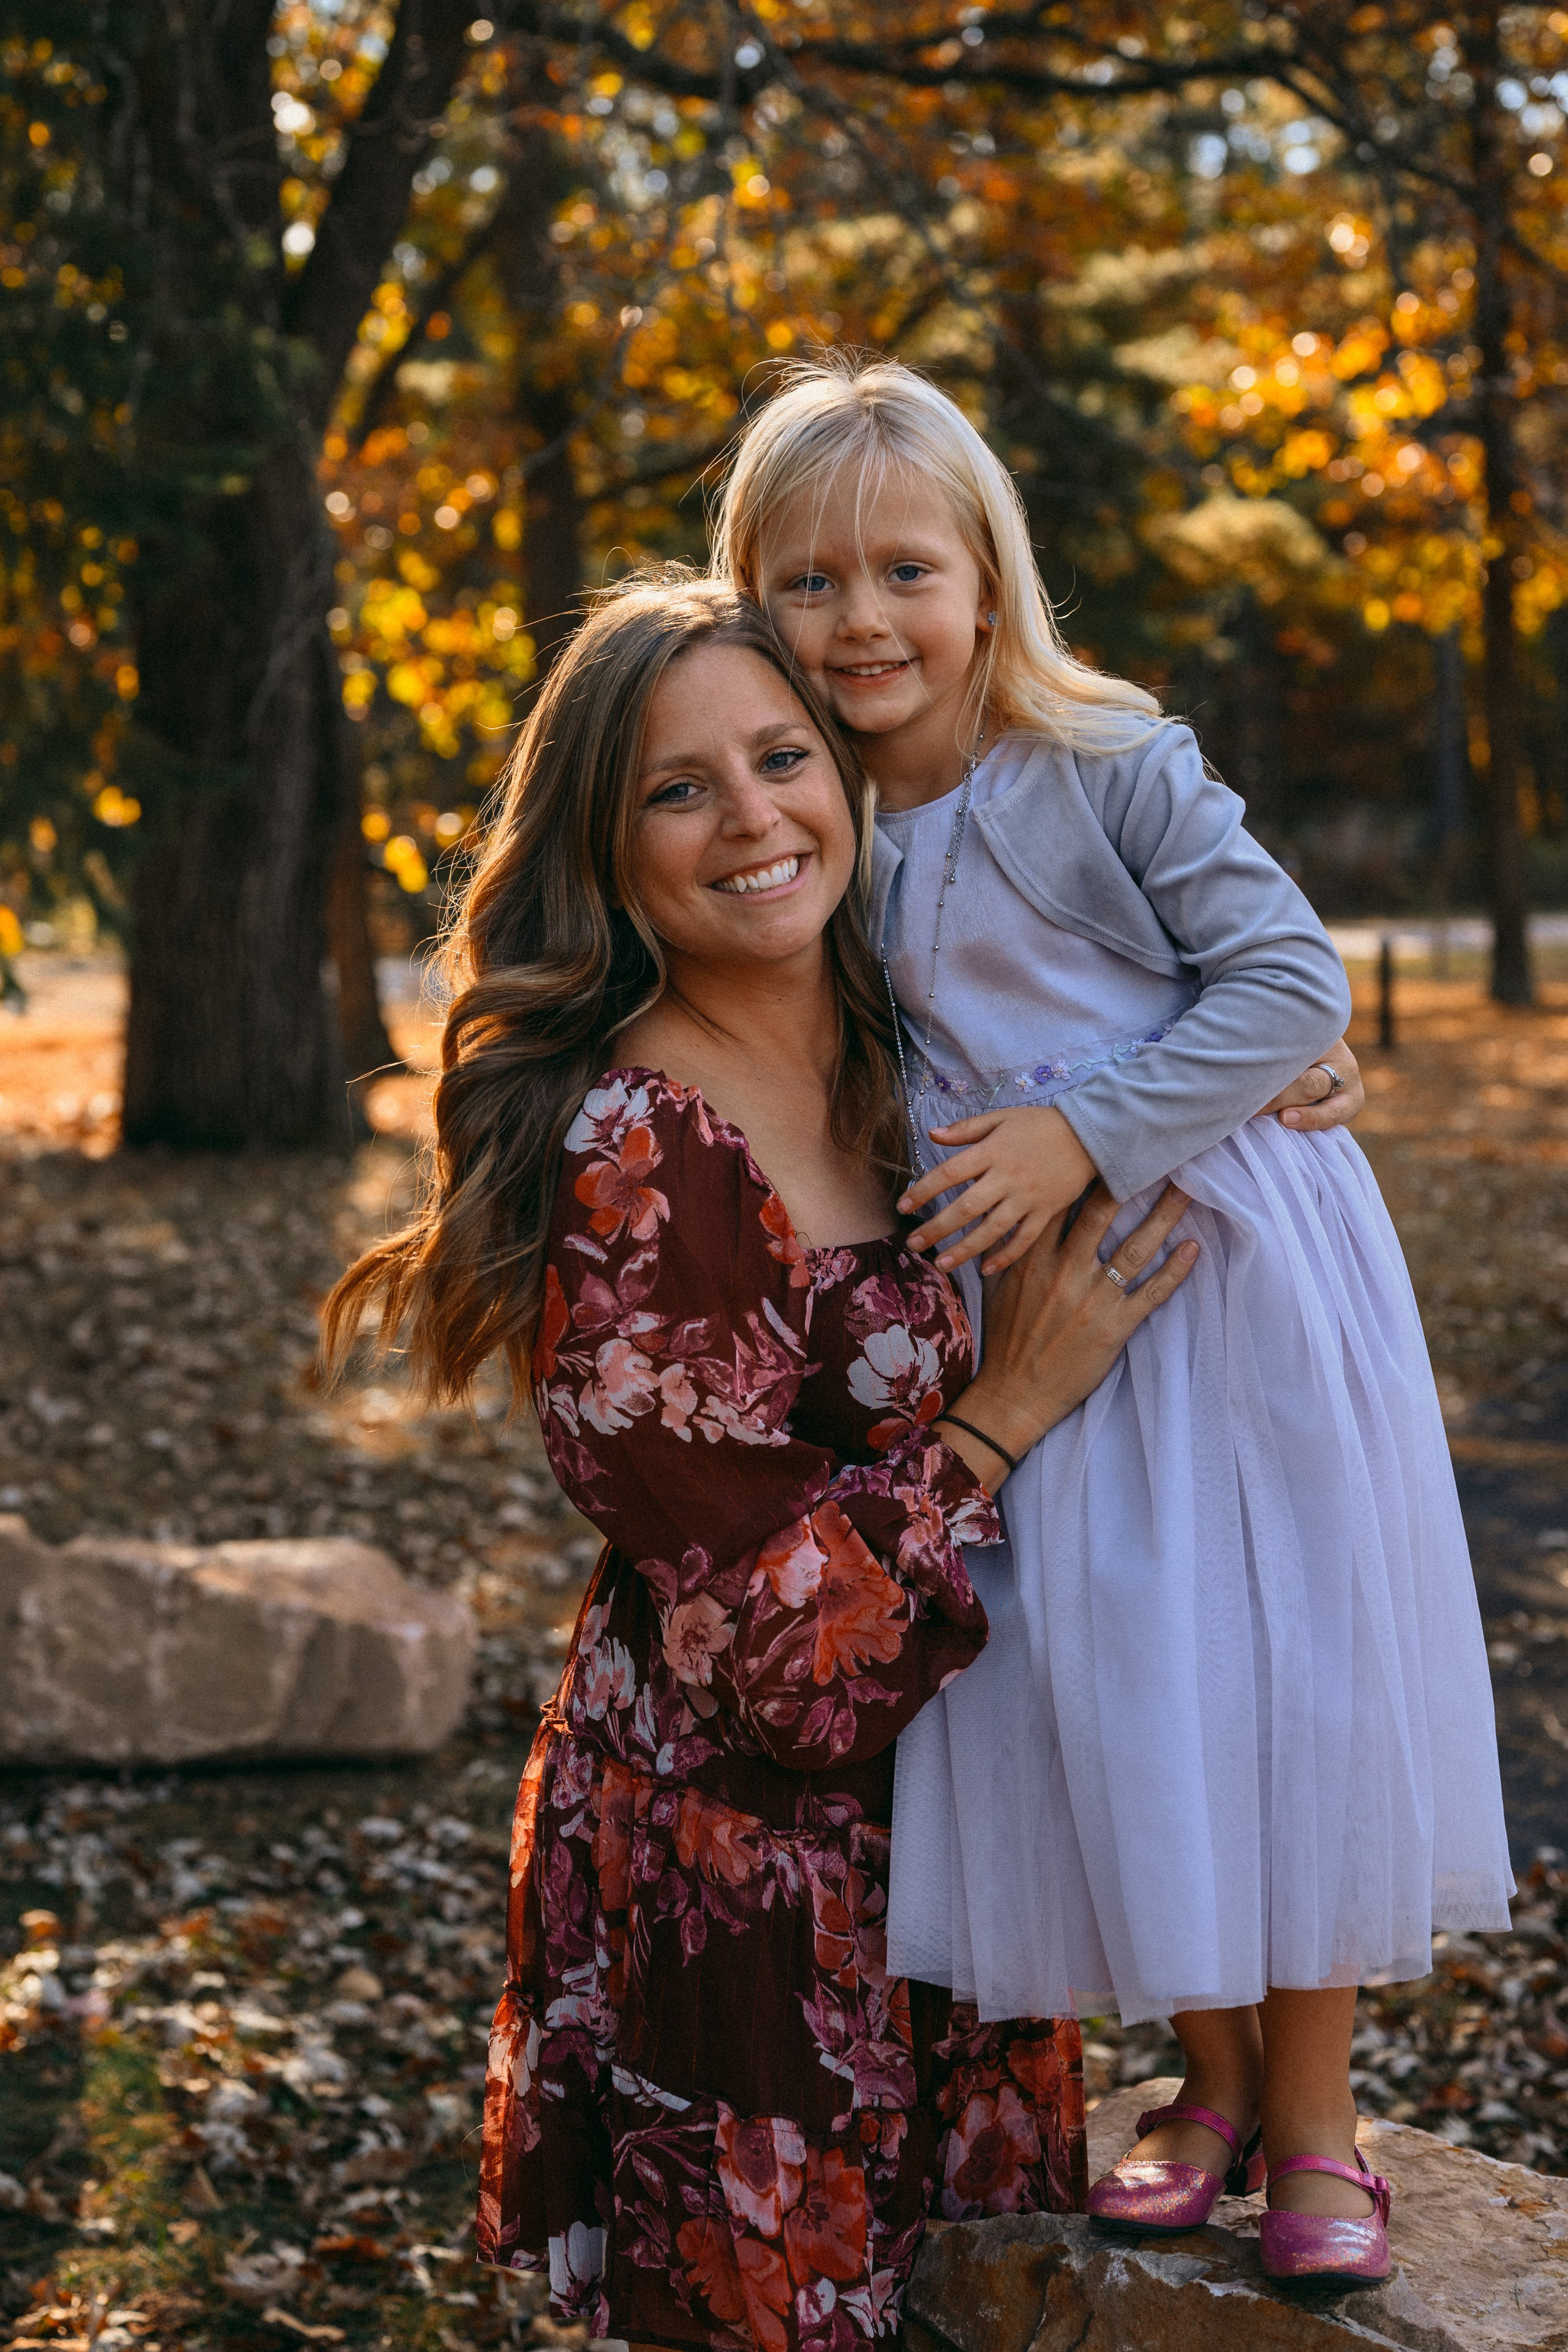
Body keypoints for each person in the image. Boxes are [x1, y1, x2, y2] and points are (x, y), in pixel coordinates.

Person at [322, 577, 1356, 2349]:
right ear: (604, 842)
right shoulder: (638, 1153)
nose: (754, 818)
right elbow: (776, 1656)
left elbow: (1174, 1022)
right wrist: (999, 1414)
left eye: (784, 756)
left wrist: (1269, 1066)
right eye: (678, 788)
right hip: (752, 1909)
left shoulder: (909, 1037)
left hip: (965, 1853)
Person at [712, 355, 1513, 2290]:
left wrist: (1098, 1121)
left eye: (907, 568)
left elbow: (1291, 979)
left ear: (989, 578)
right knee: (1106, 1683)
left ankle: (1318, 2117)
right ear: (752, 602)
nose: (863, 619)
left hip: (1225, 1288)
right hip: (1036, 1329)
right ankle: (1207, 2079)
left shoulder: (1104, 769)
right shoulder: (812, 820)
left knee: (1274, 1674)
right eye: (809, 582)